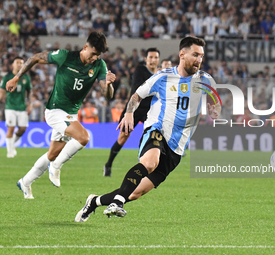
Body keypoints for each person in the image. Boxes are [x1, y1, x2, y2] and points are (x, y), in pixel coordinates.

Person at [75, 36, 221, 222]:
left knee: (135, 193)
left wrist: (215, 110)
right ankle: (118, 202)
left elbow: (216, 104)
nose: (199, 60)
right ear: (182, 54)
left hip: (177, 146)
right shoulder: (163, 77)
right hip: (157, 129)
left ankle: (94, 202)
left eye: (201, 55)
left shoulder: (206, 80)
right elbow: (137, 95)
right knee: (150, 162)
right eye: (195, 55)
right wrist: (129, 113)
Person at [6, 32, 116, 199]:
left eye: (98, 55)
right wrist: (16, 77)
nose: (95, 58)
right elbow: (36, 57)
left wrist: (108, 84)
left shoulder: (100, 65)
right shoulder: (65, 56)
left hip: (71, 114)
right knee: (84, 137)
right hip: (55, 111)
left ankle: (25, 182)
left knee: (52, 153)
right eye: (93, 53)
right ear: (85, 47)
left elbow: (107, 95)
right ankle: (56, 166)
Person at [103, 48, 160, 177]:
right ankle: (108, 164)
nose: (153, 60)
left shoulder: (160, 74)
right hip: (134, 109)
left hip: (150, 111)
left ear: (158, 59)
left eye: (155, 57)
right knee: (122, 138)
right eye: (150, 57)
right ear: (146, 59)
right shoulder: (140, 70)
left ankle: (146, 166)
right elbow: (137, 88)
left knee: (152, 136)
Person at [0, 57, 32, 158]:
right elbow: (2, 91)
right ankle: (10, 152)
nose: (19, 64)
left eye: (21, 63)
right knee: (11, 128)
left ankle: (11, 144)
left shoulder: (26, 78)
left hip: (22, 107)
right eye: (17, 62)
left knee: (22, 129)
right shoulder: (7, 77)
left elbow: (29, 92)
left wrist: (30, 104)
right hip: (10, 107)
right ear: (13, 64)